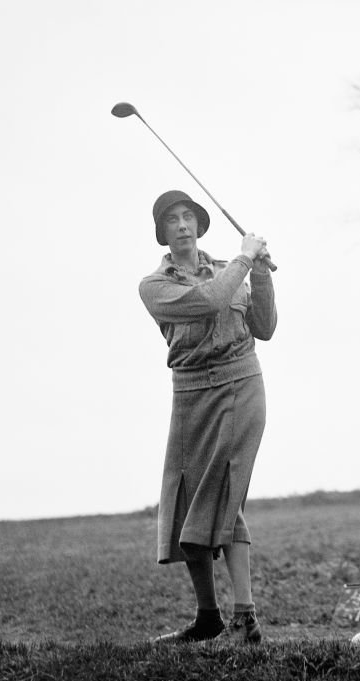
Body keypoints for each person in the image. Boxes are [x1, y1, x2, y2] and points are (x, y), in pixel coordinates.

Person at [139, 190, 276, 643]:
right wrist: (243, 259)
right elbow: (209, 301)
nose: (182, 224)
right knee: (185, 500)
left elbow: (266, 327)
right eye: (172, 220)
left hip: (240, 383)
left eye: (189, 217)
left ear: (199, 225)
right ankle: (208, 617)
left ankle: (245, 618)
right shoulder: (154, 286)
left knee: (224, 494)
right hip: (190, 392)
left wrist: (260, 272)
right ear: (162, 232)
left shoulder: (229, 271)